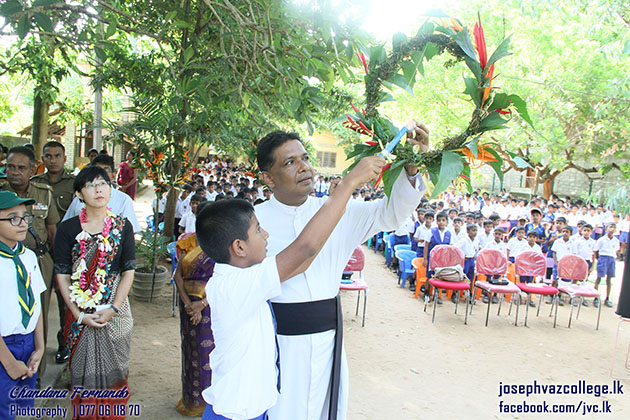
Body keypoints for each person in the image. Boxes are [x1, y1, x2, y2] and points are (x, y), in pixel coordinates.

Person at [254, 125, 428, 420]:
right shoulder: (253, 222)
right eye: (290, 162)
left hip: (327, 341)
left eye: (305, 158)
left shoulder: (337, 211)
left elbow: (391, 214)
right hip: (275, 343)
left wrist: (410, 169)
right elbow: (299, 255)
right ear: (268, 178)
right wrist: (350, 182)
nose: (304, 167)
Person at [196, 156, 384, 420]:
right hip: (235, 414)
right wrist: (350, 183)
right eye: (259, 230)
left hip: (254, 411)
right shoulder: (235, 285)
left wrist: (334, 207)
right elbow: (304, 249)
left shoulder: (242, 274)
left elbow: (301, 263)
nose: (267, 235)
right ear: (239, 247)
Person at [54, 166, 135, 418]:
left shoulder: (123, 227)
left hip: (116, 312)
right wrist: (78, 314)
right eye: (90, 185)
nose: (98, 189)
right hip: (79, 314)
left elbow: (128, 271)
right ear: (79, 193)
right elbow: (63, 274)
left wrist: (112, 309)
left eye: (103, 183)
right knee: (82, 379)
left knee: (118, 372)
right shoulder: (67, 229)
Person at [1, 146, 59, 376]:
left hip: (38, 261)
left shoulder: (44, 192)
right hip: (4, 261)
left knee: (37, 314)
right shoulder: (1, 192)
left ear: (33, 169)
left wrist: (57, 267)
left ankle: (36, 371)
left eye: (21, 168)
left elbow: (52, 230)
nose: (15, 172)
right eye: (10, 167)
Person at [0, 192, 46, 420]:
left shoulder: (28, 256)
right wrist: (8, 362)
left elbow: (34, 302)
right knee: (4, 408)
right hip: (3, 347)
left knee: (23, 405)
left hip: (28, 343)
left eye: (24, 217)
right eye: (12, 218)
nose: (22, 223)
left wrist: (39, 347)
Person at [31, 140, 75, 364]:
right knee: (41, 303)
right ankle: (40, 347)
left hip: (68, 252)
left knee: (65, 302)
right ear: (43, 158)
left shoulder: (74, 184)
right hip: (42, 252)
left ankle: (64, 345)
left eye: (57, 156)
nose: (53, 160)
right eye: (48, 156)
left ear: (64, 158)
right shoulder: (35, 184)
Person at [172, 230, 216, 417]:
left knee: (209, 354)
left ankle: (210, 402)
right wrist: (188, 304)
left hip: (211, 305)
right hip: (188, 306)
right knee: (191, 350)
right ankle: (192, 400)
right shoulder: (187, 242)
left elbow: (222, 280)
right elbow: (178, 276)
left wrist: (202, 305)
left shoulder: (220, 245)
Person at [63, 155, 141, 233]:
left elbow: (131, 233)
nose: (100, 174)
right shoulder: (80, 199)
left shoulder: (124, 200)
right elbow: (66, 227)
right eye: (96, 171)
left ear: (113, 175)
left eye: (105, 170)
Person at [594, 223, 620, 308]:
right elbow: (596, 251)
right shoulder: (601, 240)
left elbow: (616, 251)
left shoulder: (616, 241)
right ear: (606, 229)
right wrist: (599, 259)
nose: (612, 229)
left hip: (611, 259)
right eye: (610, 227)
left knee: (609, 279)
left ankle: (607, 298)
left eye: (614, 228)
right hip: (603, 258)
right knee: (599, 278)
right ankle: (596, 297)